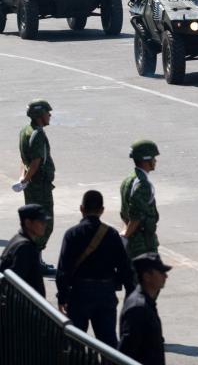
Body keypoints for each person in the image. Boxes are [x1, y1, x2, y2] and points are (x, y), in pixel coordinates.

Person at [56, 190, 135, 348]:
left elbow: (63, 269)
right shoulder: (112, 234)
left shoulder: (72, 234)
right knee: (108, 344)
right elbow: (125, 267)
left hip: (79, 293)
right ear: (102, 210)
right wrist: (125, 290)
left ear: (81, 208)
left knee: (75, 344)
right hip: (105, 293)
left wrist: (62, 296)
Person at [18, 99, 56, 275]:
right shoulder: (37, 134)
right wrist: (26, 178)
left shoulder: (25, 131)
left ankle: (35, 260)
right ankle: (35, 262)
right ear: (39, 115)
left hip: (32, 184)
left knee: (35, 222)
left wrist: (23, 178)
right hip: (39, 186)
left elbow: (24, 159)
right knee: (44, 224)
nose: (50, 115)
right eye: (47, 112)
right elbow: (35, 162)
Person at [118, 252, 171, 365]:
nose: (165, 276)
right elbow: (127, 351)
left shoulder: (146, 302)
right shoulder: (138, 308)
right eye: (161, 272)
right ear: (147, 277)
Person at [120, 140, 161, 259]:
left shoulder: (128, 180)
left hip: (134, 243)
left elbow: (124, 213)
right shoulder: (143, 185)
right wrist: (126, 236)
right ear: (146, 160)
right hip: (143, 245)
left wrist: (125, 235)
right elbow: (136, 216)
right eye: (153, 158)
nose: (155, 160)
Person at [0, 204, 49, 296]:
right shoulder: (25, 247)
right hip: (23, 307)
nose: (45, 225)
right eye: (41, 222)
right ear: (28, 223)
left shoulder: (17, 239)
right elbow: (15, 282)